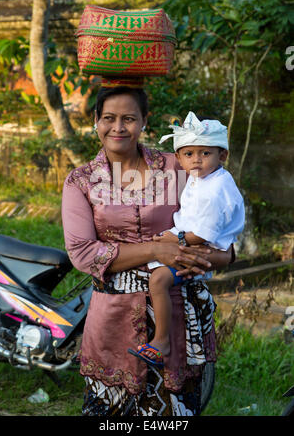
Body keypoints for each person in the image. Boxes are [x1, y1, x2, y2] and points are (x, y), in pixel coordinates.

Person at [62, 85, 234, 416]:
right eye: (109, 118)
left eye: (129, 118)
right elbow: (84, 253)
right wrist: (157, 249)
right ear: (96, 121)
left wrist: (200, 256)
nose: (118, 127)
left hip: (178, 315)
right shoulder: (81, 181)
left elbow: (223, 237)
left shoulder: (179, 167)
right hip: (113, 320)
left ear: (144, 121)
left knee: (173, 414)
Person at [128, 111, 245, 368]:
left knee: (159, 280)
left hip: (205, 247)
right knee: (153, 257)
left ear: (222, 155)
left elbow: (204, 234)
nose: (197, 160)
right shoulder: (202, 178)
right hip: (195, 240)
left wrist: (176, 237)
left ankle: (161, 341)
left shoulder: (216, 189)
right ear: (179, 158)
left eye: (205, 153)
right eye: (189, 154)